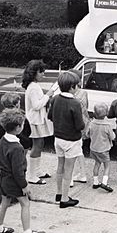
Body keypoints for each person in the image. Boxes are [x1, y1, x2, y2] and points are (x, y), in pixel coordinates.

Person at [0, 108, 45, 233]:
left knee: (4, 202)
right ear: (18, 128)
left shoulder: (2, 141)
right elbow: (18, 171)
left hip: (3, 178)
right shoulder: (17, 148)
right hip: (14, 180)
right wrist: (25, 186)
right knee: (25, 203)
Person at [48, 71, 84, 208]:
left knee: (60, 166)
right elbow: (79, 125)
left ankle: (58, 193)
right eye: (77, 86)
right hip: (71, 140)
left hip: (58, 138)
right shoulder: (75, 103)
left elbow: (50, 116)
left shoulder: (55, 98)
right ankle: (64, 198)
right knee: (69, 169)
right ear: (72, 87)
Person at [22, 60, 54, 184]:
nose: (43, 75)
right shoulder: (33, 87)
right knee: (36, 146)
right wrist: (48, 96)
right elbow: (36, 106)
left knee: (40, 145)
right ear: (34, 73)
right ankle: (31, 175)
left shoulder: (33, 85)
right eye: (41, 72)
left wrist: (45, 97)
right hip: (34, 121)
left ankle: (37, 171)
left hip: (37, 120)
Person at [68, 69, 90, 186]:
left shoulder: (70, 95)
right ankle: (82, 174)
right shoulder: (84, 93)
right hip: (84, 122)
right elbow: (86, 107)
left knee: (71, 151)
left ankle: (70, 178)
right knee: (79, 149)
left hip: (73, 125)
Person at [87, 103, 115, 193]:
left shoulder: (91, 123)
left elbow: (87, 134)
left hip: (94, 148)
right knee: (107, 165)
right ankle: (104, 182)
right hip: (104, 149)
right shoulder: (107, 125)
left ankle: (95, 182)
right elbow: (113, 137)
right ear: (106, 113)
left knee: (97, 163)